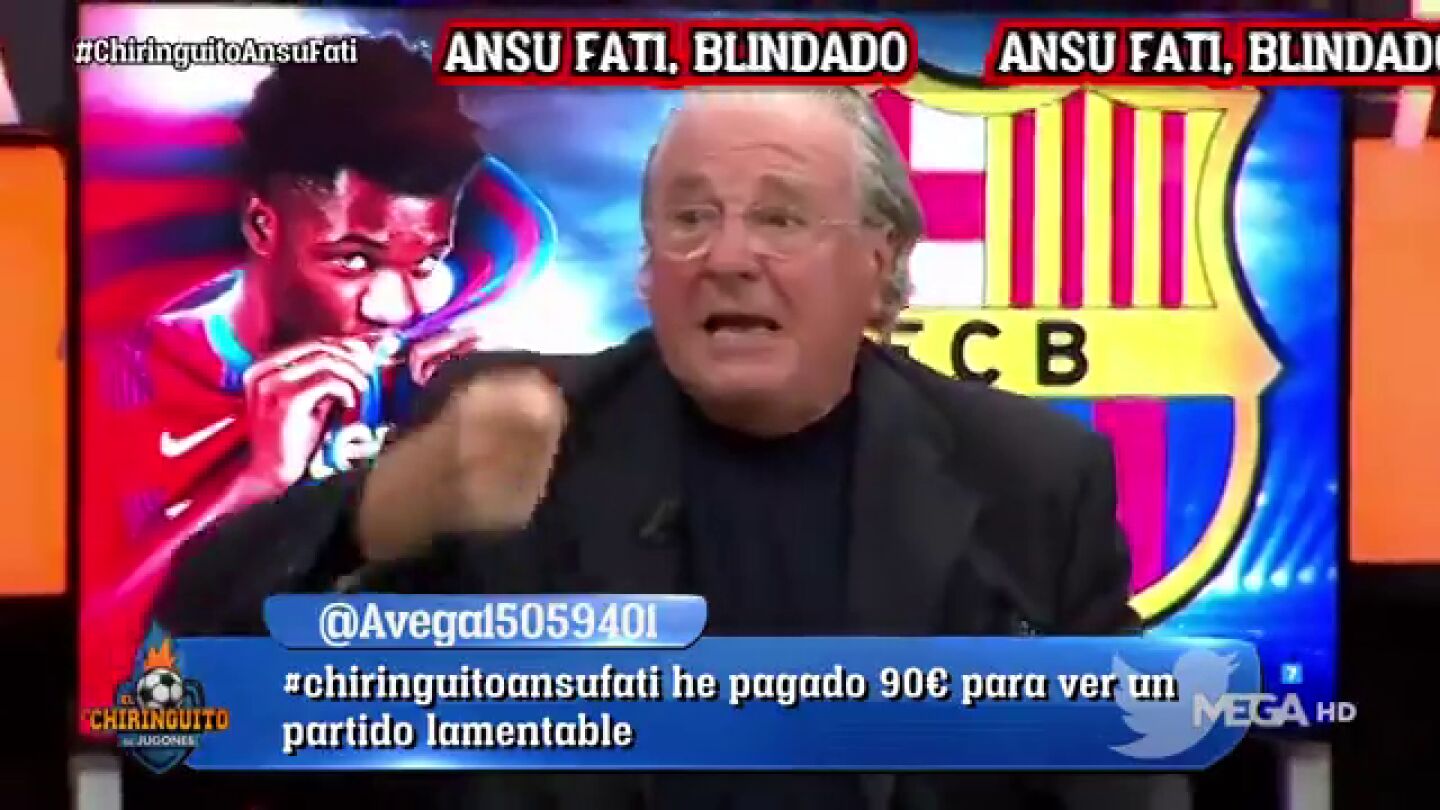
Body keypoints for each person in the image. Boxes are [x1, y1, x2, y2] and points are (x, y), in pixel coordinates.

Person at [153, 86, 1186, 809]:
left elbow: (1124, 772)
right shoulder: (507, 428)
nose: (727, 257)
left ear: (880, 265)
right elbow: (183, 702)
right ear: (649, 271)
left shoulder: (1031, 477)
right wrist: (379, 511)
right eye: (689, 220)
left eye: (780, 219)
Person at [81, 35, 552, 722]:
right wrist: (256, 488)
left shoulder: (423, 362)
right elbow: (95, 682)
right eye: (353, 261)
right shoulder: (118, 383)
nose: (395, 308)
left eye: (426, 263)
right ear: (261, 225)